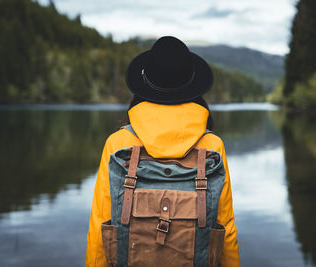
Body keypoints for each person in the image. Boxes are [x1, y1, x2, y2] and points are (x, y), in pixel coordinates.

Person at [86, 36, 240, 266]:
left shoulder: (118, 143)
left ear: (145, 85)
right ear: (193, 86)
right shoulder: (212, 146)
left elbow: (101, 225)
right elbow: (225, 227)